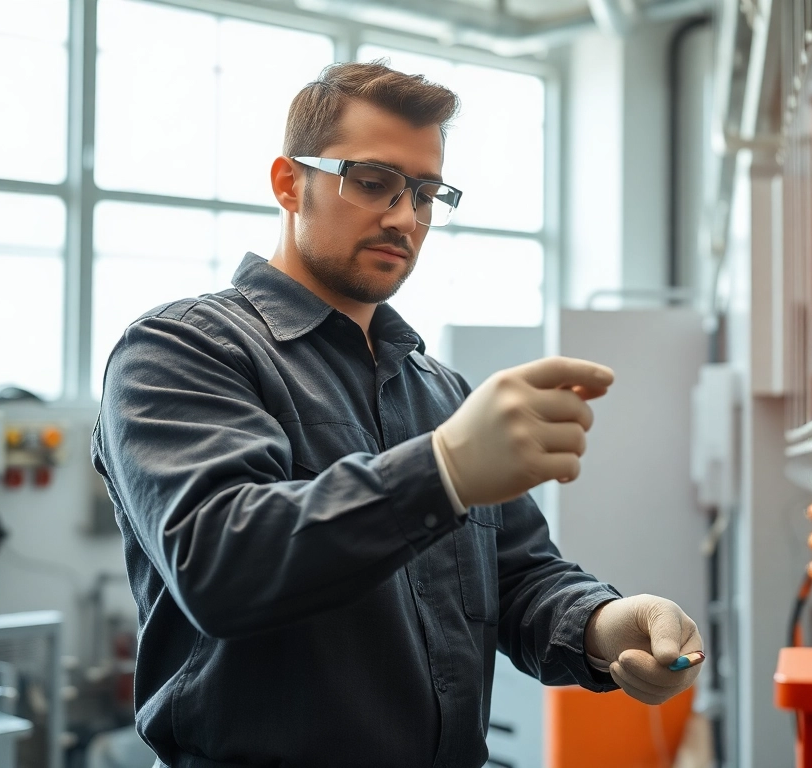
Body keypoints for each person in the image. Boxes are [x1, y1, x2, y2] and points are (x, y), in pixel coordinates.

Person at [91, 61, 703, 767]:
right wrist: (440, 471)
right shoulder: (181, 350)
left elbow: (519, 575)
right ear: (290, 183)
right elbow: (223, 564)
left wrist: (602, 623)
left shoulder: (439, 391)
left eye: (425, 193)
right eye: (373, 182)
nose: (404, 218)